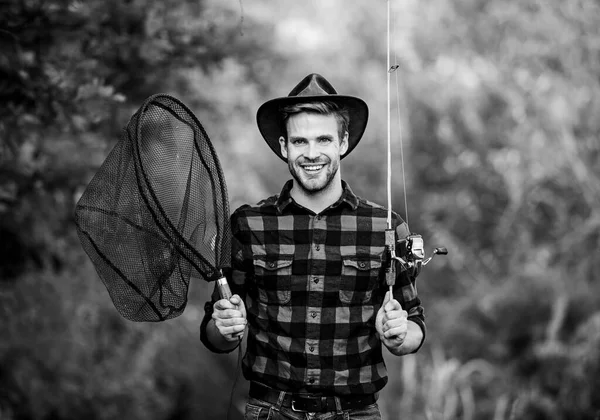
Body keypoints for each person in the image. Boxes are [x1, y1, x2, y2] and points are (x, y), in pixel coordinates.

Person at [200, 73, 426, 419]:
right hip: (270, 411)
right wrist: (225, 328)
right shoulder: (248, 225)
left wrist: (399, 335)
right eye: (300, 142)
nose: (312, 154)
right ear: (283, 147)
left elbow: (414, 325)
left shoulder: (385, 226)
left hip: (355, 413)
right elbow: (215, 336)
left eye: (323, 139)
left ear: (343, 143)